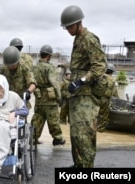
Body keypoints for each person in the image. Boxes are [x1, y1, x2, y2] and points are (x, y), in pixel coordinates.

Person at [60, 5, 107, 167]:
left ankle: (86, 167)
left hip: (86, 97)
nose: (68, 30)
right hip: (77, 97)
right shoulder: (78, 39)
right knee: (75, 134)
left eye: (70, 26)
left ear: (79, 22)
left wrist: (81, 81)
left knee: (84, 135)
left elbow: (100, 66)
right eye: (66, 27)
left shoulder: (89, 39)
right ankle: (78, 164)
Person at [31, 45, 66, 146]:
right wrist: (59, 97)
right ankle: (57, 138)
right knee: (53, 119)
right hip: (50, 100)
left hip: (39, 99)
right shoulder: (50, 67)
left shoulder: (35, 67)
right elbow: (54, 83)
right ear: (49, 56)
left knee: (37, 119)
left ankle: (33, 138)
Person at [97, 63, 119, 132]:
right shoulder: (113, 80)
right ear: (112, 72)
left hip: (97, 98)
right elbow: (115, 92)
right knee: (104, 115)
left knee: (95, 113)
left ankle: (93, 127)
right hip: (106, 99)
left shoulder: (99, 77)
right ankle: (100, 129)